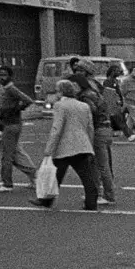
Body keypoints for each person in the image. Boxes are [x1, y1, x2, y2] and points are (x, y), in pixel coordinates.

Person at [36, 79, 99, 210]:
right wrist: (90, 145)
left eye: (57, 91)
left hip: (64, 146)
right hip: (82, 145)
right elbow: (90, 127)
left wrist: (49, 148)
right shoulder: (84, 106)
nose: (56, 93)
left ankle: (46, 200)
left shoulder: (60, 106)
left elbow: (57, 128)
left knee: (56, 175)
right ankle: (91, 202)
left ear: (61, 92)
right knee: (87, 177)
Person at [0, 65, 36, 190]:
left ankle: (7, 183)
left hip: (12, 125)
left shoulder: (10, 89)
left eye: (4, 75)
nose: (1, 77)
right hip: (7, 124)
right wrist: (0, 122)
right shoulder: (5, 89)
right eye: (0, 75)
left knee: (7, 156)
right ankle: (33, 175)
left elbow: (28, 100)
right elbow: (3, 110)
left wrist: (16, 109)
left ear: (10, 76)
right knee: (11, 155)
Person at [89, 66, 121, 206]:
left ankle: (107, 195)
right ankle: (101, 193)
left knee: (100, 165)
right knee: (103, 164)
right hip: (107, 128)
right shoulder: (102, 90)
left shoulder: (89, 93)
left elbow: (92, 112)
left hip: (99, 129)